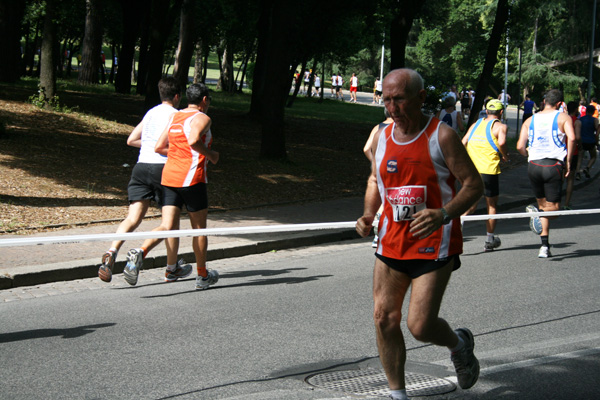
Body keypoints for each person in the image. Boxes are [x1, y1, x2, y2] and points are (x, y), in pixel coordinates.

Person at [355, 69, 483, 400]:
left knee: (420, 326)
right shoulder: (380, 135)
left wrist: (443, 214)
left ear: (421, 97)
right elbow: (374, 180)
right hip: (390, 241)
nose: (392, 108)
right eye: (386, 100)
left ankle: (459, 344)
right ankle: (398, 396)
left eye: (399, 99)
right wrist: (369, 213)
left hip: (433, 244)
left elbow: (473, 185)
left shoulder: (441, 136)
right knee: (384, 318)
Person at [124, 83, 220, 290]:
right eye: (209, 99)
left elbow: (159, 147)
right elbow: (194, 139)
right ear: (204, 100)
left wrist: (178, 152)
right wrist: (210, 155)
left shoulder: (175, 117)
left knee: (167, 226)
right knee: (199, 230)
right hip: (192, 178)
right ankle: (202, 276)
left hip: (169, 178)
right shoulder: (202, 117)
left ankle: (141, 251)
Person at [97, 77, 192, 284]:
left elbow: (131, 140)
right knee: (171, 223)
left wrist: (149, 145)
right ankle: (171, 268)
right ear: (177, 96)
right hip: (164, 169)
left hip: (141, 167)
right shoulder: (177, 115)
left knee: (133, 218)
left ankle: (112, 251)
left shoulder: (151, 113)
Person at [517, 89, 575, 258]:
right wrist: (569, 161)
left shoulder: (530, 120)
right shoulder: (563, 117)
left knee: (543, 206)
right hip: (553, 165)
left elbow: (520, 147)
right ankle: (537, 215)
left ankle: (544, 246)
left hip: (533, 166)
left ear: (544, 102)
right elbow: (571, 138)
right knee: (554, 210)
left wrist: (529, 153)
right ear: (559, 104)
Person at [462, 99, 509, 252]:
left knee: (471, 205)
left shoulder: (476, 124)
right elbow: (501, 143)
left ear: (487, 111)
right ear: (501, 112)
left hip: (471, 171)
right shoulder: (500, 126)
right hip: (488, 171)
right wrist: (506, 156)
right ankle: (489, 240)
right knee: (492, 206)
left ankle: (456, 227)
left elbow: (463, 142)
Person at [363, 109, 394, 248]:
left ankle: (378, 234)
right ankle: (380, 233)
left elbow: (366, 148)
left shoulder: (378, 127)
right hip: (394, 167)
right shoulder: (398, 128)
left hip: (380, 167)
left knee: (382, 197)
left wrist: (374, 162)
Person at [564, 101, 582, 209]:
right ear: (575, 109)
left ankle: (555, 202)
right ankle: (566, 203)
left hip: (561, 151)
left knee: (560, 177)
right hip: (573, 151)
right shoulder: (577, 122)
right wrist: (579, 145)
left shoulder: (563, 120)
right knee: (570, 179)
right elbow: (578, 137)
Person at [576, 104, 600, 179]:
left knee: (580, 158)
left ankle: (578, 173)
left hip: (582, 141)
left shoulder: (581, 119)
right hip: (591, 141)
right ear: (593, 112)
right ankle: (587, 168)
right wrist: (597, 141)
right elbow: (597, 131)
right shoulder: (594, 120)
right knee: (593, 156)